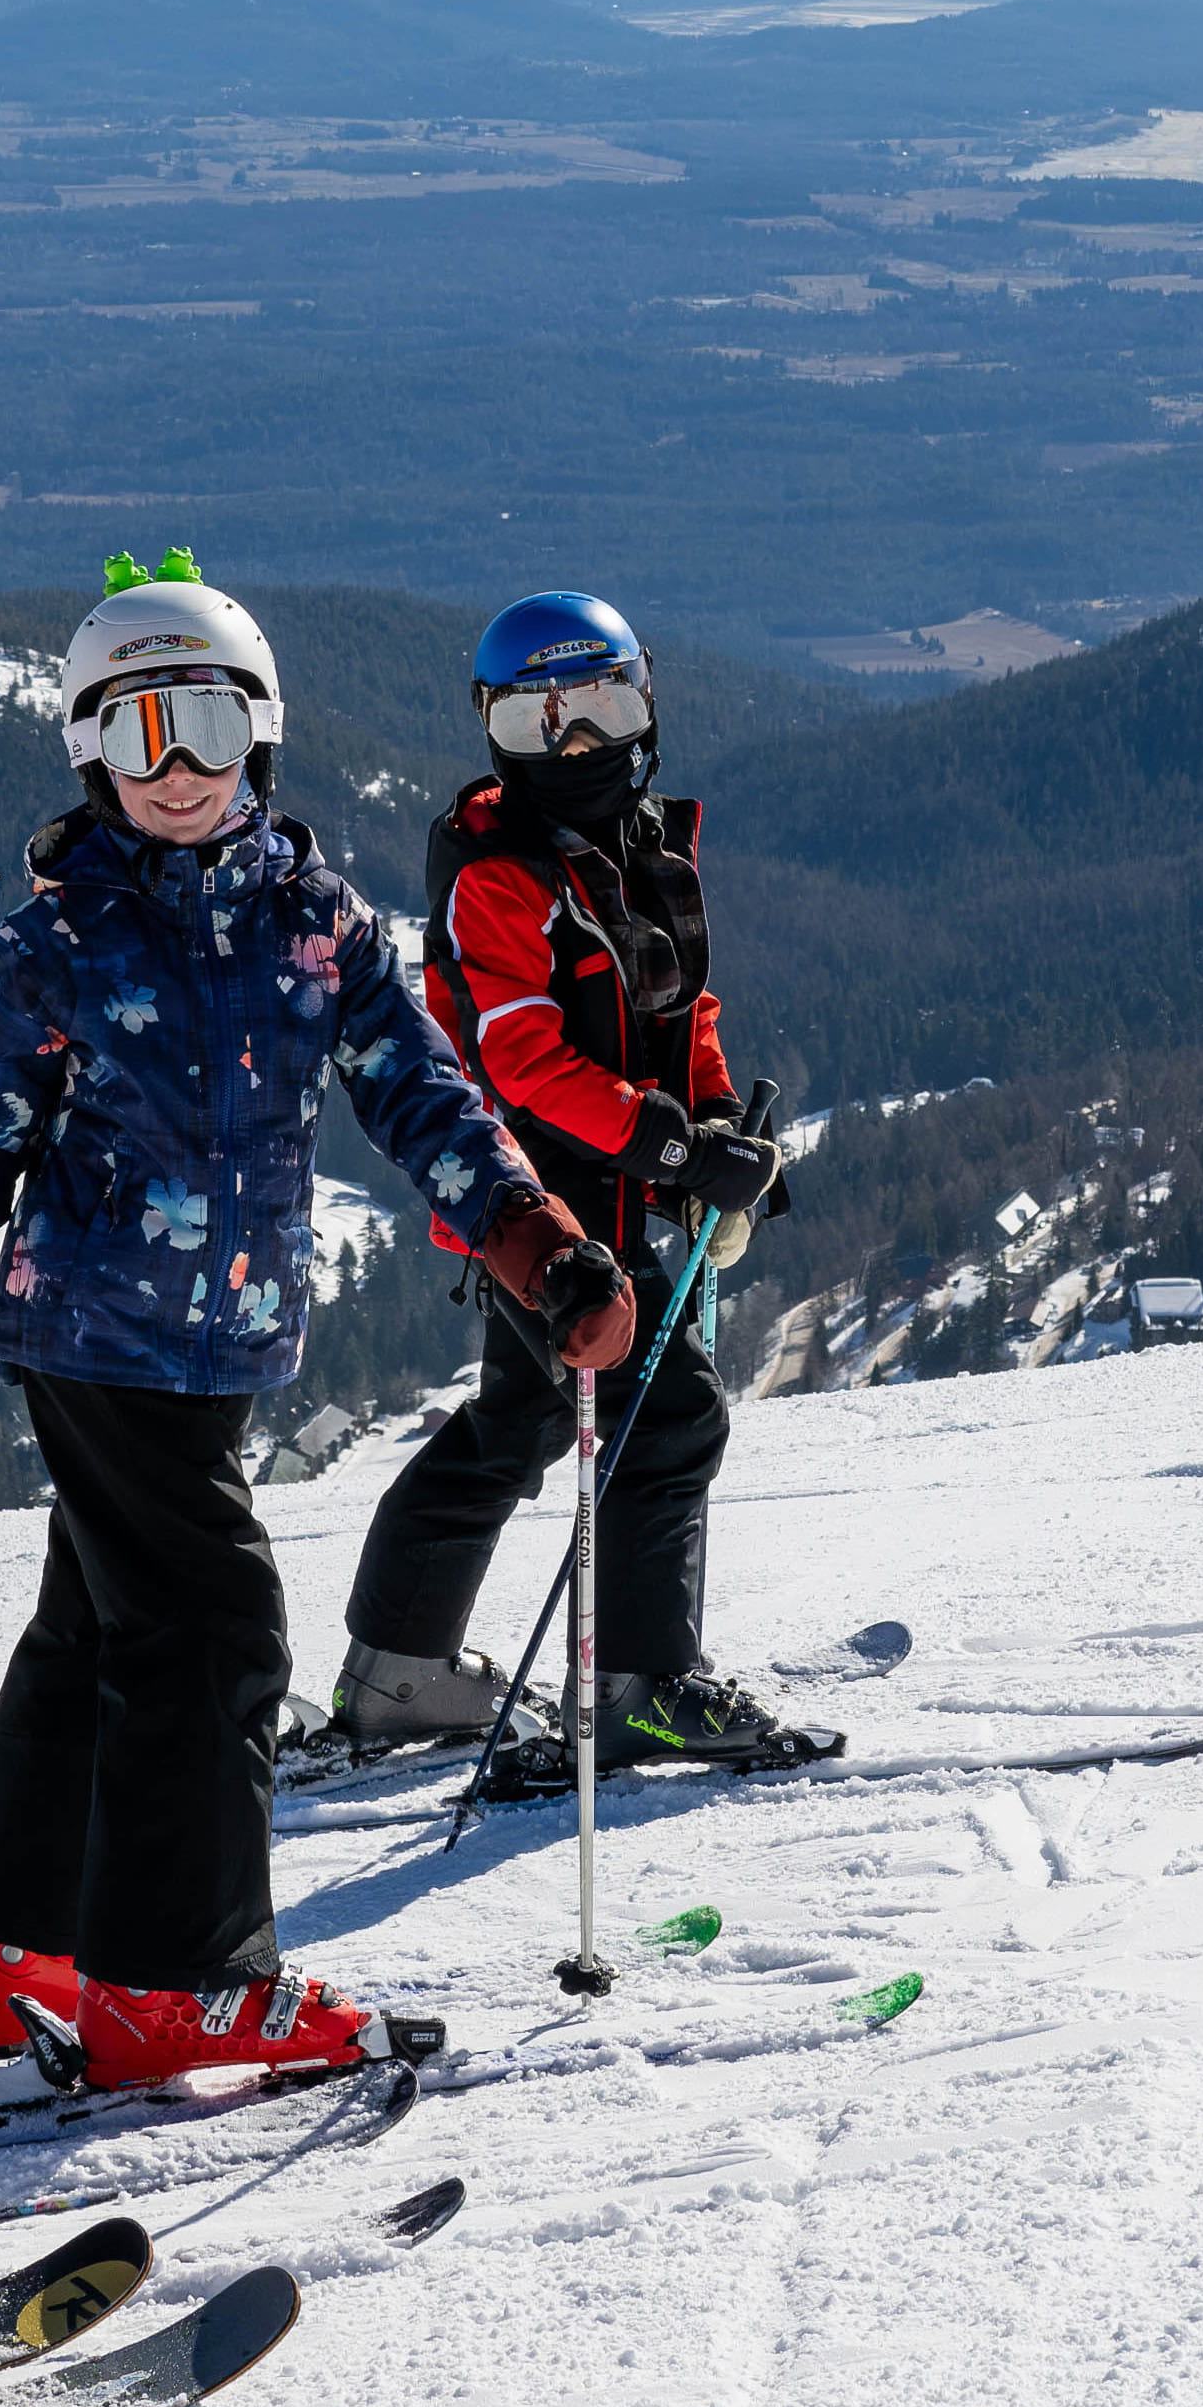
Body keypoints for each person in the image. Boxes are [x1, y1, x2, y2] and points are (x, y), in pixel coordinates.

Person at [0, 554, 632, 2091]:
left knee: (97, 1625)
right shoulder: (62, 938)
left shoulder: (316, 922)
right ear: (85, 752)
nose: (174, 770)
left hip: (225, 1344)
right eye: (133, 735)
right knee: (219, 1626)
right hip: (94, 1337)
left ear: (266, 735)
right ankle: (176, 1982)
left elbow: (424, 1095)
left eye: (207, 728)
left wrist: (539, 1243)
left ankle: (3, 1951)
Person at [330, 588, 838, 1772]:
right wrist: (672, 1145)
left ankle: (398, 1675)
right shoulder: (498, 874)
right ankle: (641, 1687)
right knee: (670, 1417)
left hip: (610, 1184)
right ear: (491, 731)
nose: (574, 747)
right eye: (538, 724)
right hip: (535, 1211)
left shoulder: (644, 844)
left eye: (599, 710)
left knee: (525, 1418)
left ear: (643, 705)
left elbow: (680, 1004)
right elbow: (518, 1055)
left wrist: (713, 1121)